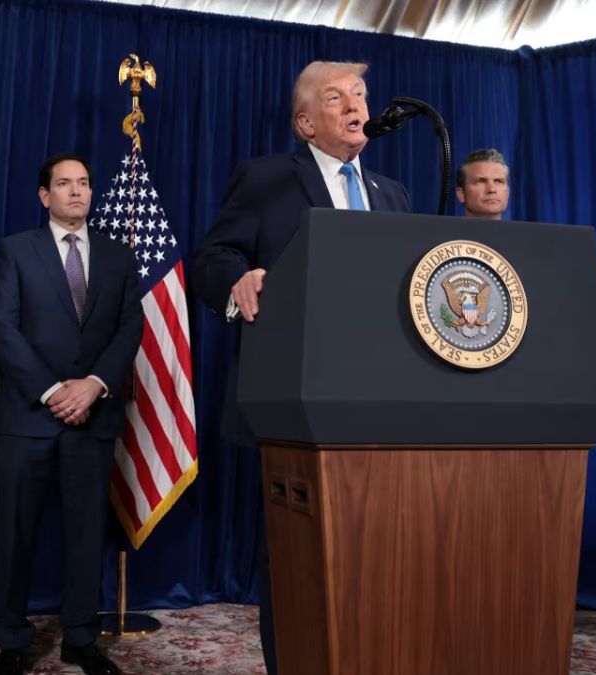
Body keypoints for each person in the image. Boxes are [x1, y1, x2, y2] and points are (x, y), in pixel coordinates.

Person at [190, 60, 411, 674]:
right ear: (306, 122)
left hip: (387, 401)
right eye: (336, 97)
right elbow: (212, 256)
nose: (354, 105)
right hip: (297, 395)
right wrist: (238, 279)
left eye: (361, 95)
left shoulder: (393, 195)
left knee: (380, 551)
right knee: (298, 557)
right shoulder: (267, 180)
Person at [0, 154, 142, 675]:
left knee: (85, 533)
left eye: (84, 183)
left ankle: (80, 637)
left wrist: (93, 386)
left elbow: (128, 329)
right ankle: (12, 640)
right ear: (43, 195)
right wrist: (53, 391)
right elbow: (1, 329)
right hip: (27, 420)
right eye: (64, 184)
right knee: (16, 534)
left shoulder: (119, 256)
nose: (76, 192)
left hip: (93, 417)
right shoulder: (15, 251)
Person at [455, 148, 509, 219]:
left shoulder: (524, 230)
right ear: (461, 194)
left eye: (498, 181)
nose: (492, 190)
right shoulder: (441, 230)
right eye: (480, 181)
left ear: (507, 193)